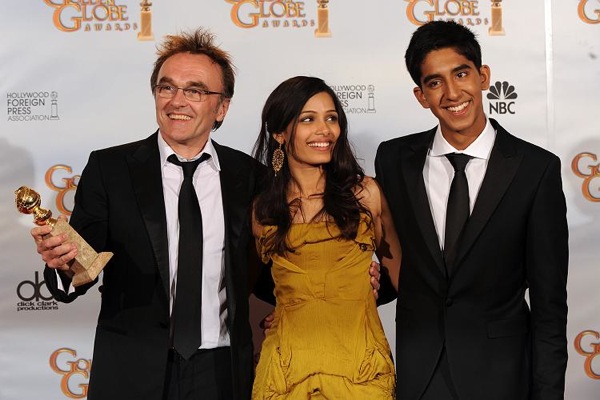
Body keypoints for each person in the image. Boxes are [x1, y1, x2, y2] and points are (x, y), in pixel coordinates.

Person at [30, 28, 270, 400]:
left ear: (221, 106)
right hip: (131, 370)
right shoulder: (110, 169)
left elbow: (267, 273)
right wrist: (63, 265)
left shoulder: (250, 176)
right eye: (166, 87)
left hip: (223, 374)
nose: (177, 101)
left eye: (195, 90)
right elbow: (83, 262)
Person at [375, 21, 569, 399]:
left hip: (501, 376)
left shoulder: (535, 169)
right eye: (435, 82)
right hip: (419, 374)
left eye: (461, 74)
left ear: (483, 77)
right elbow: (394, 261)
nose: (452, 93)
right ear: (420, 96)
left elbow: (549, 306)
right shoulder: (394, 159)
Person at [251, 76, 402, 399]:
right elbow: (248, 285)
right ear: (279, 133)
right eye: (308, 119)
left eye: (331, 118)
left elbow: (402, 275)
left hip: (360, 372)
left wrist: (369, 287)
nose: (325, 130)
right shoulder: (262, 210)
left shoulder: (365, 195)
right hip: (286, 373)